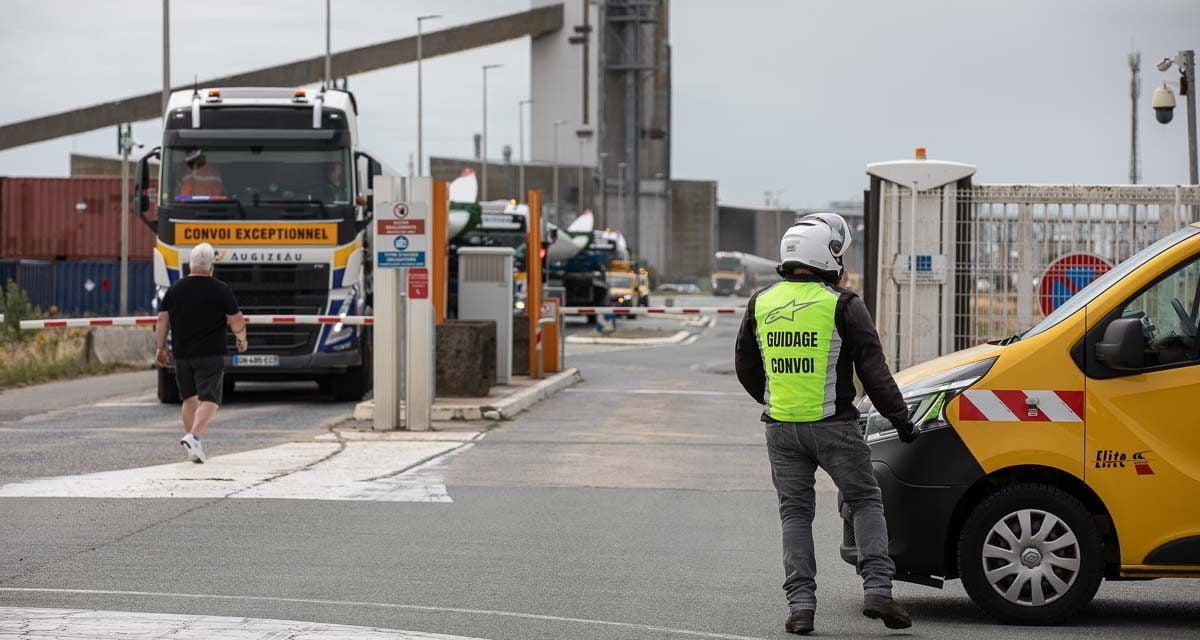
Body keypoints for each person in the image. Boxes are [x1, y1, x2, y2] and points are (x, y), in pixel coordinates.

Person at [734, 213, 919, 635]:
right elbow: (876, 374)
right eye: (838, 252)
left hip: (780, 427)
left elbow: (745, 364)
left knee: (795, 515)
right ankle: (877, 590)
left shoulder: (761, 302)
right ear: (826, 256)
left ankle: (801, 607)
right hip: (834, 425)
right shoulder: (843, 304)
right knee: (865, 500)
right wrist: (903, 422)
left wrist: (772, 398)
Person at [154, 242, 247, 463]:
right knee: (211, 399)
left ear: (190, 266)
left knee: (189, 399)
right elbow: (236, 319)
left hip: (182, 354)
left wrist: (160, 347)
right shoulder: (221, 289)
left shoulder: (175, 289)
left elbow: (162, 319)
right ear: (211, 267)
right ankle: (193, 437)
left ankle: (193, 447)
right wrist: (241, 337)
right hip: (210, 354)